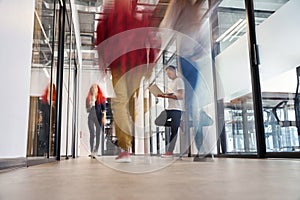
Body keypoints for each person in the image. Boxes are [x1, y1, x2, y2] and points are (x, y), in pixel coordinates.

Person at [96, 0, 159, 162]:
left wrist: (150, 64)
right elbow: (101, 39)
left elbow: (149, 40)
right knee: (120, 102)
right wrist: (102, 61)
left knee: (129, 104)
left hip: (135, 67)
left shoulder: (137, 20)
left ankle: (126, 145)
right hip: (119, 66)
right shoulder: (109, 18)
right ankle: (125, 148)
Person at [155, 65, 185, 157]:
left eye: (169, 73)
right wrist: (162, 94)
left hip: (177, 109)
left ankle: (170, 152)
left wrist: (165, 96)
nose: (168, 75)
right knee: (158, 121)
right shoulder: (171, 83)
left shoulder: (179, 81)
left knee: (174, 131)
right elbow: (170, 94)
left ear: (174, 71)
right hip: (169, 108)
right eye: (167, 74)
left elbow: (181, 96)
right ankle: (178, 123)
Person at [86, 84, 106, 158]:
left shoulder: (102, 98)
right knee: (92, 133)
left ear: (98, 89)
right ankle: (91, 150)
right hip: (91, 116)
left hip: (99, 117)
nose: (94, 89)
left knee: (98, 134)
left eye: (95, 87)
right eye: (92, 88)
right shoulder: (89, 98)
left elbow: (104, 109)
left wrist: (104, 118)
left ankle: (96, 151)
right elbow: (87, 110)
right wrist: (90, 104)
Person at [39, 83, 56, 156]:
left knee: (49, 133)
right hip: (45, 119)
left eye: (52, 87)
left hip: (51, 119)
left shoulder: (54, 99)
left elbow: (54, 110)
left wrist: (53, 104)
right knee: (44, 133)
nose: (50, 88)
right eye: (49, 87)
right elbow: (41, 110)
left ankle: (48, 150)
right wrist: (40, 116)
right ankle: (45, 150)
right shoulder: (44, 99)